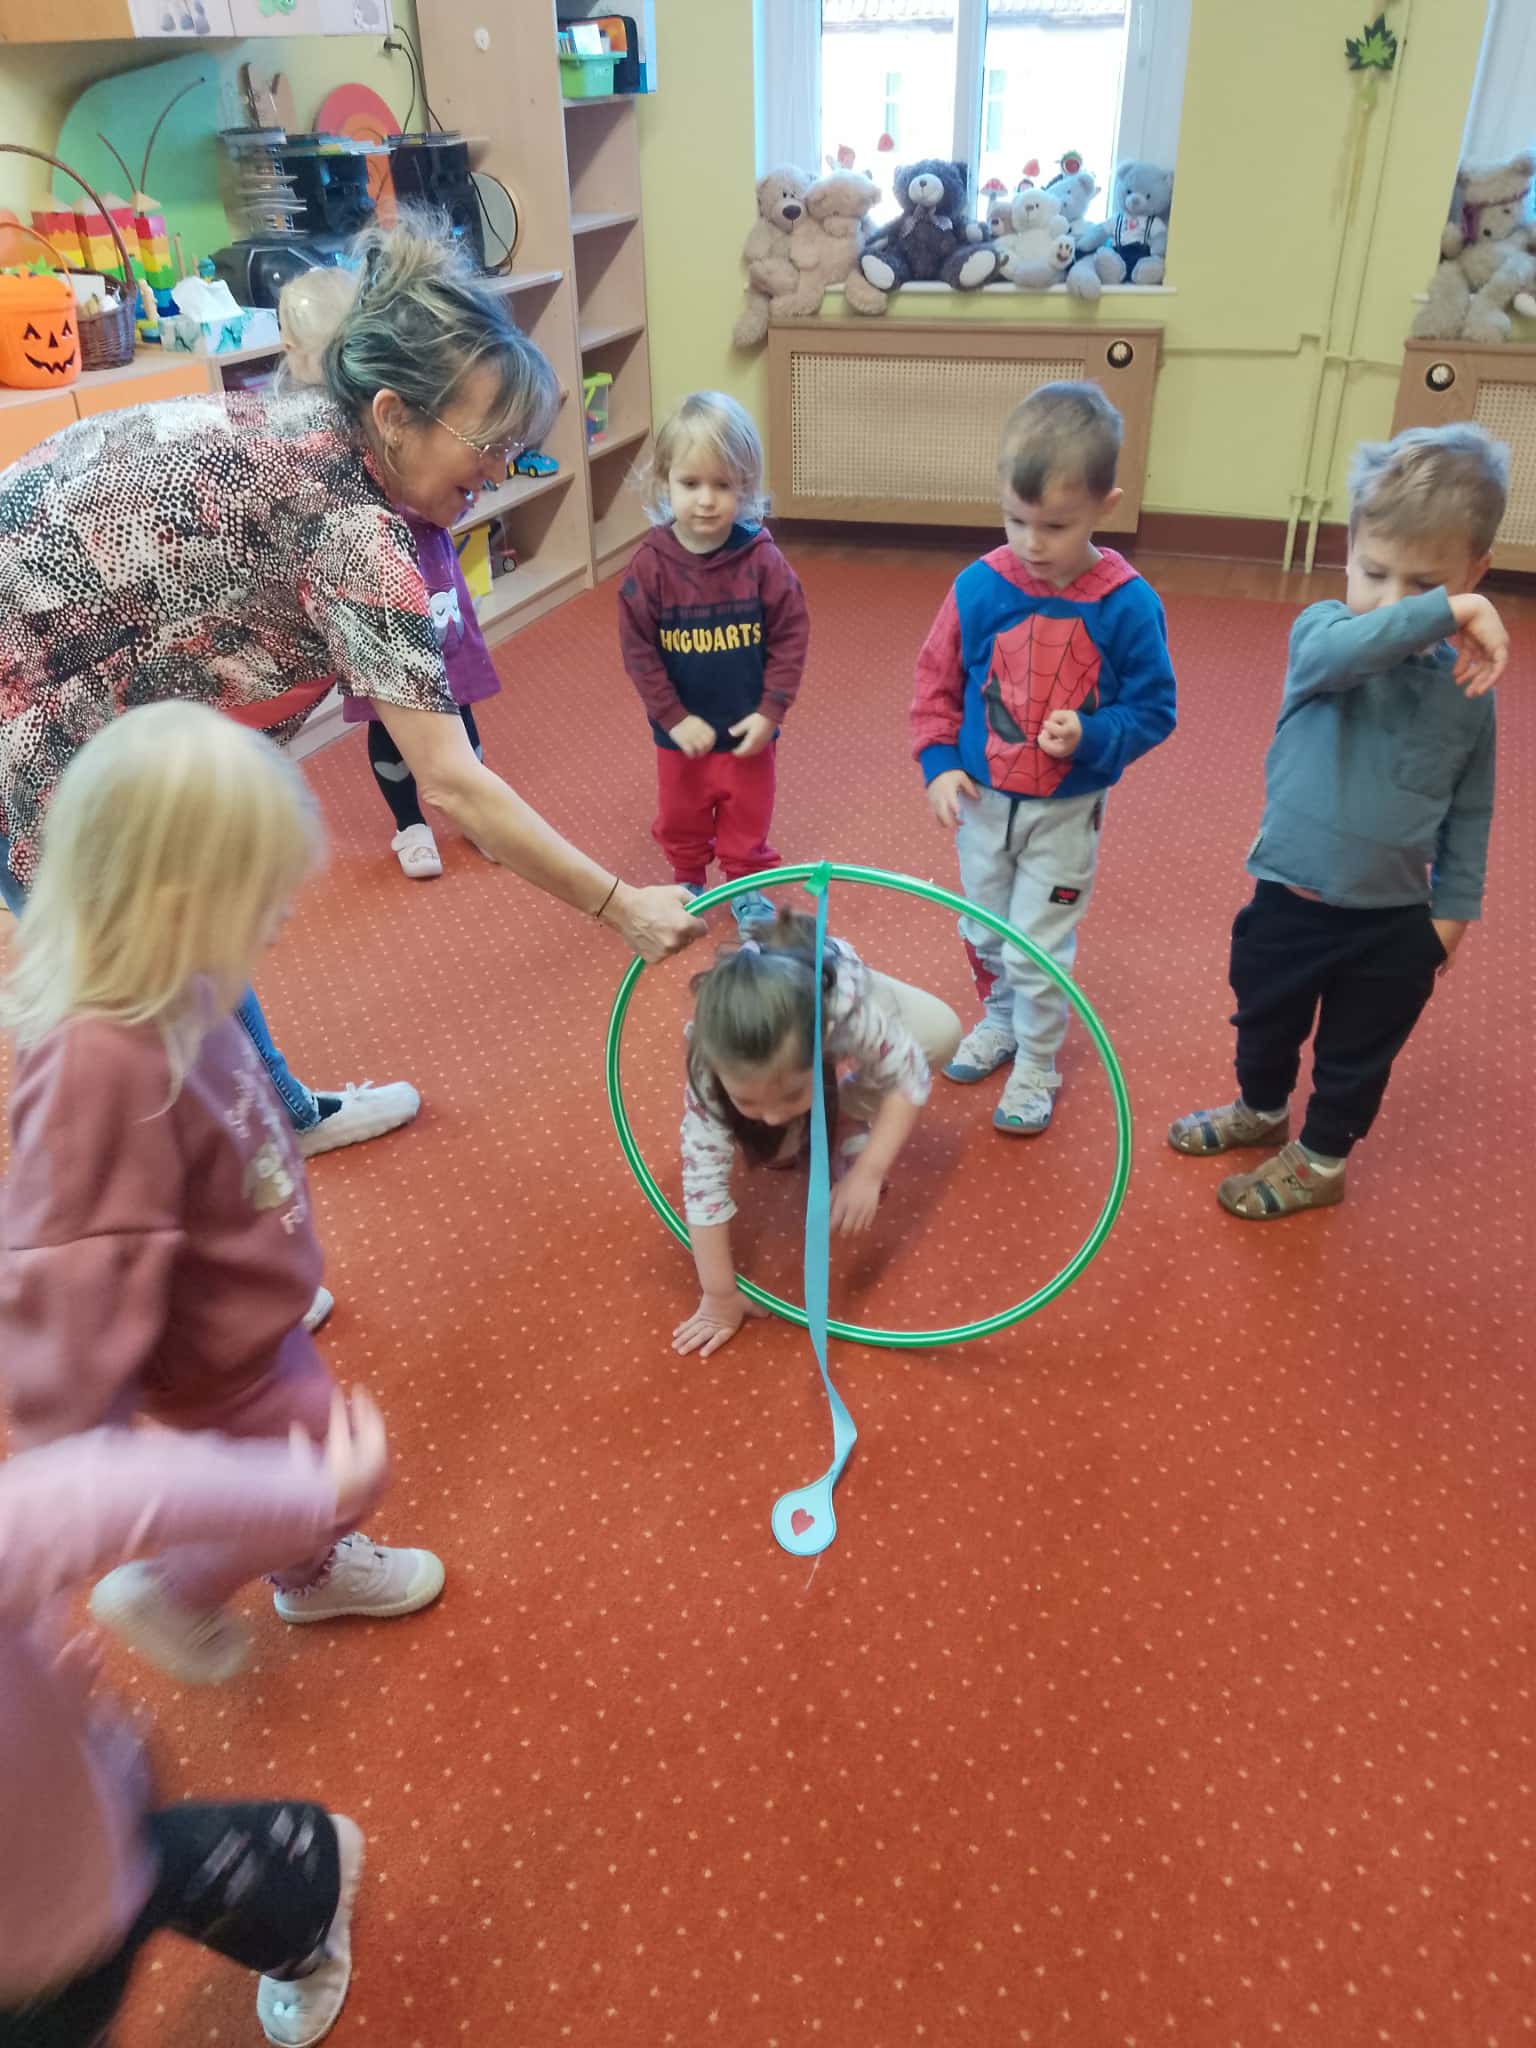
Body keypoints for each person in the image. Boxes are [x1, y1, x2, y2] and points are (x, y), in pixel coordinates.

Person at [0, 213, 703, 1154]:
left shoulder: (314, 421)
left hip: (69, 657)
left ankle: (270, 1120)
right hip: (32, 701)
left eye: (513, 446)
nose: (500, 472)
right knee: (131, 983)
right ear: (394, 414)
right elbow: (451, 781)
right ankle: (185, 1196)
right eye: (487, 442)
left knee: (176, 919)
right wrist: (622, 906)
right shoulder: (352, 531)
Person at [0, 704, 444, 1684]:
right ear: (174, 903)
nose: (281, 921)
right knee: (322, 1468)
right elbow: (70, 1273)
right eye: (262, 901)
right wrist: (77, 1478)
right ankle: (180, 1586)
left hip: (239, 1299)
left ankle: (302, 1561)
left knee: (295, 1449)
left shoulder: (172, 979)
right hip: (212, 1349)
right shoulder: (100, 1063)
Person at [1169, 423, 1507, 1219]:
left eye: (1424, 584)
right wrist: (1447, 608)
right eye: (1374, 572)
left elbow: (1471, 808)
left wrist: (1453, 915)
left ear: (1475, 572)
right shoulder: (1322, 637)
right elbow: (1360, 646)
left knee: (1356, 1058)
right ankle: (1262, 1109)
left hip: (1393, 924)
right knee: (1262, 1022)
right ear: (1347, 554)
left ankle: (1322, 1161)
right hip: (1289, 902)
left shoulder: (1464, 692)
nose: (1391, 601)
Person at [0, 1401, 383, 2048]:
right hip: (51, 1897)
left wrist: (310, 1493)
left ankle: (310, 1877)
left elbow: (86, 1493)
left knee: (180, 1870)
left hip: (84, 1855)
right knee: (172, 1876)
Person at [911, 381, 1177, 1135]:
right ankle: (999, 1020)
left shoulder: (1128, 603)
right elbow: (934, 683)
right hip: (982, 804)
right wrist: (939, 763)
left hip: (1065, 812)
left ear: (1105, 506)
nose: (1032, 543)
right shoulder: (978, 587)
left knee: (1037, 945)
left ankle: (1036, 1061)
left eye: (1056, 525)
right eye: (1016, 519)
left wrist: (1092, 735)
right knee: (984, 929)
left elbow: (1155, 709)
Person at [281, 265, 501, 883]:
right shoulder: (339, 471)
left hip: (433, 601)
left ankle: (479, 814)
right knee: (392, 724)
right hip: (377, 612)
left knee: (455, 718)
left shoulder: (404, 439)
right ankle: (410, 824)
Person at [675, 909, 961, 1359]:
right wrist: (719, 1295)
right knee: (779, 1136)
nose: (771, 1116)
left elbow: (908, 1077)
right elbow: (702, 1185)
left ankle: (843, 1114)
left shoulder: (845, 1016)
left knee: (941, 1032)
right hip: (791, 1023)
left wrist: (869, 1171)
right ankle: (812, 1112)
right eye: (748, 1100)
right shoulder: (709, 1071)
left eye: (789, 1095)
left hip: (836, 989)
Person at [618, 391, 810, 934]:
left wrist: (772, 711)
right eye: (690, 484)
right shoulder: (650, 568)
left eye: (723, 485)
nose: (706, 500)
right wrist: (673, 717)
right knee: (681, 813)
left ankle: (746, 885)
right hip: (679, 732)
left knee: (748, 812)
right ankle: (688, 880)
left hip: (748, 725)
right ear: (664, 483)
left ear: (745, 488)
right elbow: (638, 652)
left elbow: (792, 634)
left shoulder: (763, 561)